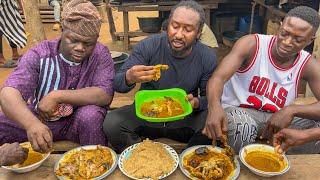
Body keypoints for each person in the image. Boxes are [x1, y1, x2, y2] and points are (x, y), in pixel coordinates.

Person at [0, 0, 114, 153]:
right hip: (38, 118)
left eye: (88, 43)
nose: (80, 48)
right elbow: (8, 93)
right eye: (73, 40)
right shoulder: (40, 54)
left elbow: (104, 94)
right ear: (62, 30)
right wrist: (32, 124)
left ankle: (94, 165)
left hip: (76, 122)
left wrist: (57, 96)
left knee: (91, 116)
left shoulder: (100, 54)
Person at [103, 1, 218, 153]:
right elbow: (118, 84)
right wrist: (129, 77)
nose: (178, 34)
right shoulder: (148, 46)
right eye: (174, 26)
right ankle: (144, 155)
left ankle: (188, 157)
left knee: (210, 123)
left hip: (184, 119)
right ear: (168, 24)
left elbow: (209, 98)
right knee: (112, 123)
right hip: (146, 117)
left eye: (188, 29)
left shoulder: (207, 57)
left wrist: (196, 102)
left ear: (198, 33)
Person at [204, 6, 320, 154]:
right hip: (239, 114)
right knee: (243, 127)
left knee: (315, 127)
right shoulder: (252, 44)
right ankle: (236, 166)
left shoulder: (309, 64)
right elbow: (218, 78)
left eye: (298, 39)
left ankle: (286, 165)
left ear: (310, 41)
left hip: (276, 121)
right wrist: (214, 107)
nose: (287, 42)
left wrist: (292, 110)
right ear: (280, 25)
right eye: (284, 33)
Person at [0, 0, 27, 68]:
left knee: (13, 27)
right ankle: (0, 58)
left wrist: (21, 5)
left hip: (9, 5)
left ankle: (15, 54)